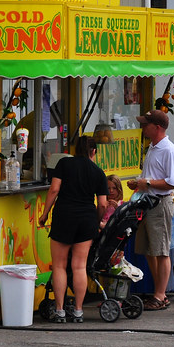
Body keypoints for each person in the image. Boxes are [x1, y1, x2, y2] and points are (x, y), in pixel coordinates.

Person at [38, 136, 108, 323]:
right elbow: (102, 204)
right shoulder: (98, 172)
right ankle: (78, 310)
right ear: (93, 151)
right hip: (86, 219)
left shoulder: (64, 163)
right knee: (79, 266)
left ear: (75, 149)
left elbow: (54, 189)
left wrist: (45, 214)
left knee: (59, 265)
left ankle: (60, 310)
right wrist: (97, 221)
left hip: (64, 216)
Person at [128, 109, 174, 311]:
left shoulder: (169, 150)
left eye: (146, 124)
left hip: (159, 203)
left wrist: (147, 182)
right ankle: (159, 290)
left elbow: (172, 182)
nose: (143, 127)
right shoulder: (153, 147)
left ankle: (160, 294)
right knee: (149, 249)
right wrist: (142, 183)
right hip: (147, 202)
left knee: (161, 250)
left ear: (157, 127)